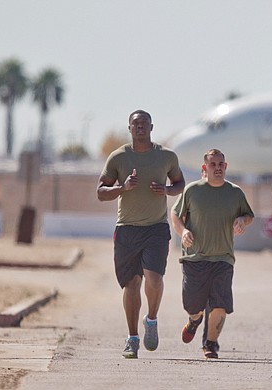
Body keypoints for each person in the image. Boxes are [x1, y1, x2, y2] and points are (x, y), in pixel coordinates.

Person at [97, 109, 185, 359]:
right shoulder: (118, 157)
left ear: (151, 127)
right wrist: (122, 188)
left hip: (156, 228)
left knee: (154, 280)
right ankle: (132, 338)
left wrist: (167, 190)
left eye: (144, 124)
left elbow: (180, 184)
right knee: (132, 283)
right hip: (126, 229)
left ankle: (152, 320)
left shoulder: (166, 156)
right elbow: (100, 191)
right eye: (136, 124)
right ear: (129, 128)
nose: (140, 128)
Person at [171, 149, 254, 359]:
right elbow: (175, 214)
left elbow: (248, 214)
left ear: (225, 167)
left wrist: (242, 220)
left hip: (223, 258)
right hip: (195, 257)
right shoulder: (192, 191)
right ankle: (194, 320)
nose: (217, 168)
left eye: (221, 164)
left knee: (220, 304)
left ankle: (211, 343)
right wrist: (183, 231)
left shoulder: (235, 193)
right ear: (204, 168)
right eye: (213, 164)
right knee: (193, 304)